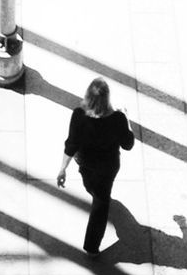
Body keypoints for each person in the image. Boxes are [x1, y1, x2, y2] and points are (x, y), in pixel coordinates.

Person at [56, 77, 134, 257]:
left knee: (91, 186)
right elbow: (128, 144)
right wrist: (126, 121)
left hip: (85, 163)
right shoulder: (118, 119)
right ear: (107, 98)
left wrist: (62, 169)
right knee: (101, 202)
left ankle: (95, 192)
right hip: (108, 167)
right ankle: (91, 247)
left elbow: (71, 145)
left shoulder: (78, 116)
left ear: (88, 96)